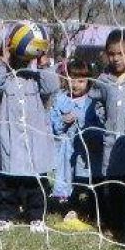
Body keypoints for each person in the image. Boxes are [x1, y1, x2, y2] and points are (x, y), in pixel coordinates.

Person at [0, 29, 59, 232]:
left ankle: (36, 217)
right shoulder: (4, 79)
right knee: (8, 183)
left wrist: (43, 61)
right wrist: (4, 59)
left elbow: (53, 85)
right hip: (10, 140)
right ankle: (6, 216)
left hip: (35, 142)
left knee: (35, 184)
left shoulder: (37, 79)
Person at [89, 29, 125, 234]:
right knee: (113, 183)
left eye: (121, 53)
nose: (116, 58)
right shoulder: (103, 79)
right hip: (111, 140)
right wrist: (103, 117)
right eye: (112, 54)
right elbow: (97, 102)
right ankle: (115, 224)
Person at [49, 58, 100, 225]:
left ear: (89, 81)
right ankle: (70, 208)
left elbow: (99, 123)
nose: (76, 85)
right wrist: (63, 120)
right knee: (68, 179)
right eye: (72, 80)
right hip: (67, 150)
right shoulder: (60, 99)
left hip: (87, 151)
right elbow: (54, 125)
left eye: (81, 80)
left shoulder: (92, 101)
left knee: (88, 180)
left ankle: (92, 210)